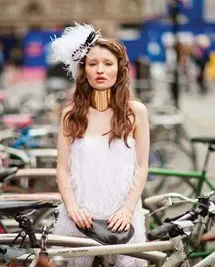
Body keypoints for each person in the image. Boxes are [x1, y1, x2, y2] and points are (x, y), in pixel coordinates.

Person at [52, 23, 150, 266]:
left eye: (108, 63)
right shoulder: (70, 115)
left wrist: (127, 210)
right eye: (93, 63)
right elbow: (62, 169)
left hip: (122, 215)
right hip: (81, 216)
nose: (100, 70)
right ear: (83, 69)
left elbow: (142, 167)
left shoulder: (136, 112)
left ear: (120, 68)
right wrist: (73, 208)